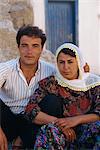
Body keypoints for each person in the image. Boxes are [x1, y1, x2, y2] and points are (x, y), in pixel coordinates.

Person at [25, 43, 100, 149]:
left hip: (86, 130)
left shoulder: (93, 84)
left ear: (78, 62)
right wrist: (61, 124)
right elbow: (30, 109)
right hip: (62, 132)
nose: (65, 67)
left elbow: (98, 112)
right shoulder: (52, 83)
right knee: (49, 130)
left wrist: (76, 120)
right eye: (61, 62)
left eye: (70, 62)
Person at [0, 25, 56, 149]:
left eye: (35, 46)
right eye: (24, 45)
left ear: (41, 49)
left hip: (34, 121)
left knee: (53, 100)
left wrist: (83, 72)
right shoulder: (6, 68)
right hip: (9, 119)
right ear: (18, 47)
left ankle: (21, 140)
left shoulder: (51, 71)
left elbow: (73, 81)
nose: (29, 51)